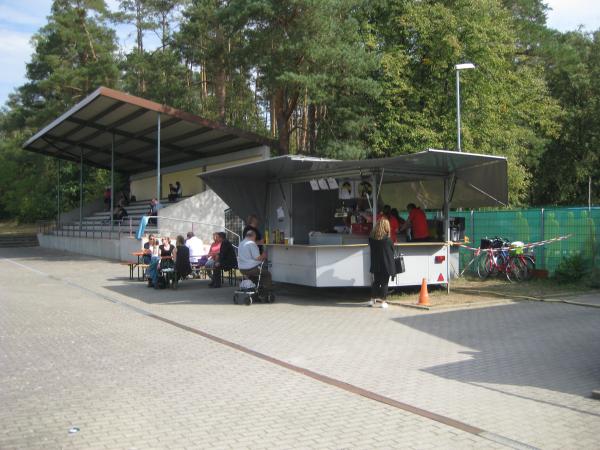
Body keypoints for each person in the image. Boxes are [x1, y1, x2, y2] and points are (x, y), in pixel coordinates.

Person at [368, 218, 395, 308]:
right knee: (384, 283)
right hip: (385, 264)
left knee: (376, 282)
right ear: (386, 227)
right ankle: (383, 302)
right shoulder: (388, 240)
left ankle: (372, 300)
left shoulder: (371, 239)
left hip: (375, 263)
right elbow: (392, 251)